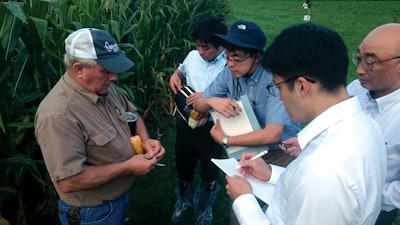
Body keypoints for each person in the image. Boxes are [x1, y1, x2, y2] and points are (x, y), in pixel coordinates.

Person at [225, 23, 387, 225]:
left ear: (301, 86)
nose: (280, 97)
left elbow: (314, 182)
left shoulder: (321, 172)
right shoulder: (366, 125)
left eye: (277, 87)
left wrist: (244, 200)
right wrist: (271, 173)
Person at [35, 28, 165, 225]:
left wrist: (145, 139)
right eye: (105, 70)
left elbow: (132, 115)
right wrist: (128, 167)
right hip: (91, 213)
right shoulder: (58, 115)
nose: (114, 77)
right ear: (79, 69)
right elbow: (69, 181)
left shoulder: (103, 87)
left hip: (116, 199)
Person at [193, 20, 300, 163]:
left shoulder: (275, 79)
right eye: (228, 56)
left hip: (279, 152)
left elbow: (272, 134)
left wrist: (226, 140)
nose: (230, 63)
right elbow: (197, 105)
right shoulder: (228, 74)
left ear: (257, 56)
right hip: (244, 149)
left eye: (237, 57)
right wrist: (210, 101)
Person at [168, 16, 227, 225]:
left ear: (221, 46)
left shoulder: (229, 65)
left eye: (206, 47)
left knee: (210, 169)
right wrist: (175, 74)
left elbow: (234, 98)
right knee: (184, 163)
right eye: (198, 46)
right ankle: (184, 200)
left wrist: (209, 98)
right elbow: (182, 69)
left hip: (212, 127)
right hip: (186, 120)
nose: (201, 51)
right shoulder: (193, 56)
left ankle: (204, 207)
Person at [347, 23, 400, 225]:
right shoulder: (355, 89)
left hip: (374, 211)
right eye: (359, 58)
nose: (359, 70)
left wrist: (367, 197)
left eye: (370, 62)